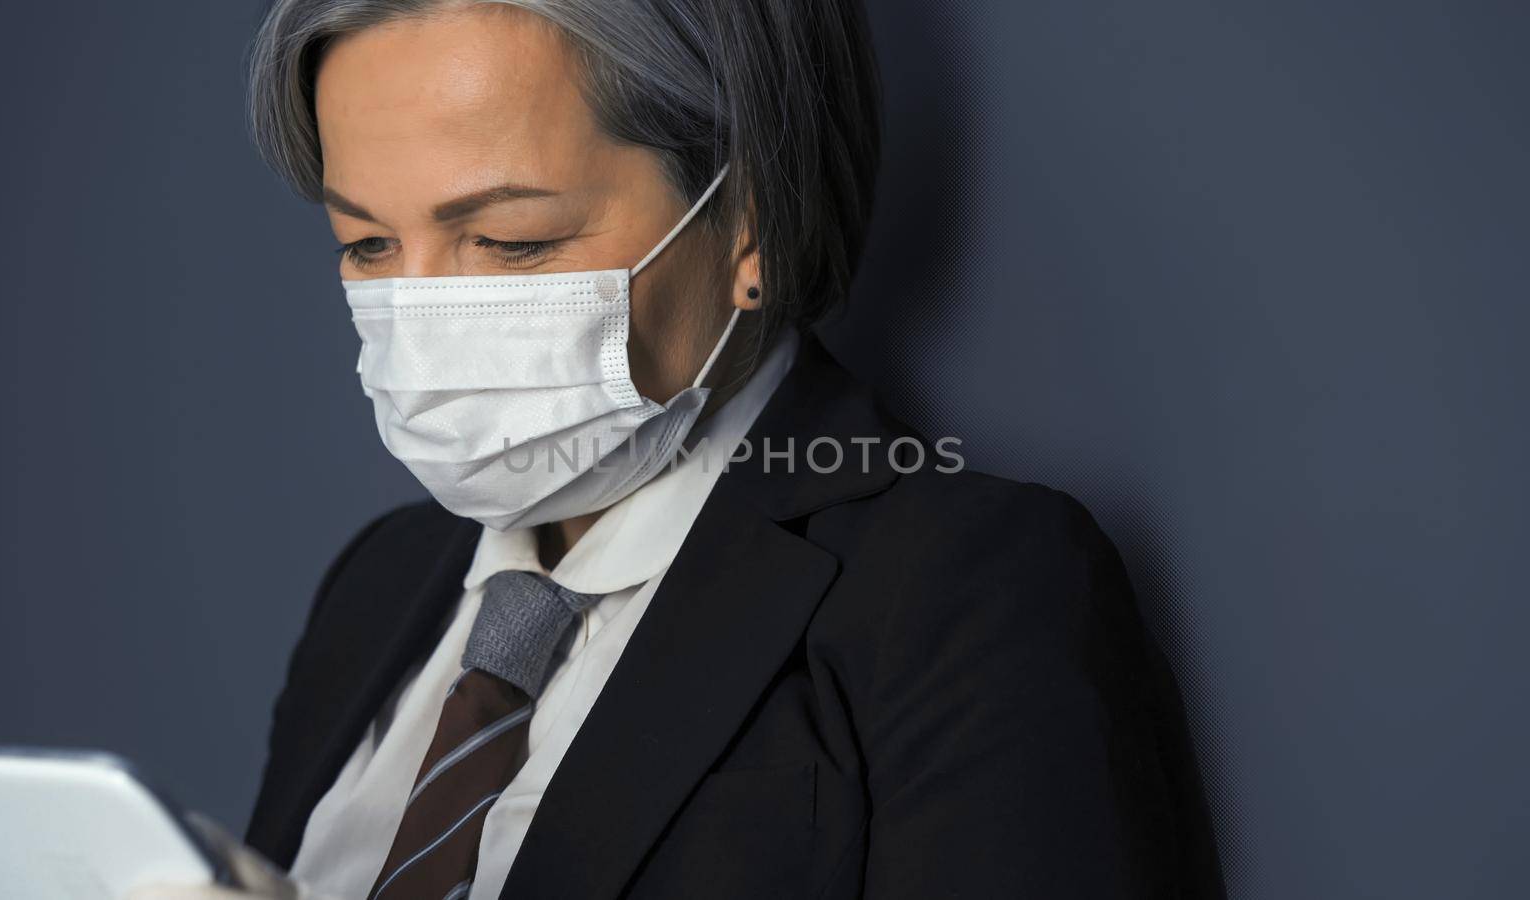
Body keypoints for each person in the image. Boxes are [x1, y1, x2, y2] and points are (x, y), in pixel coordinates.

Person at [131, 1, 1223, 897]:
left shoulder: (964, 588)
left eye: (512, 242)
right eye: (364, 243)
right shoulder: (376, 589)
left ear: (747, 220)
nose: (420, 311)